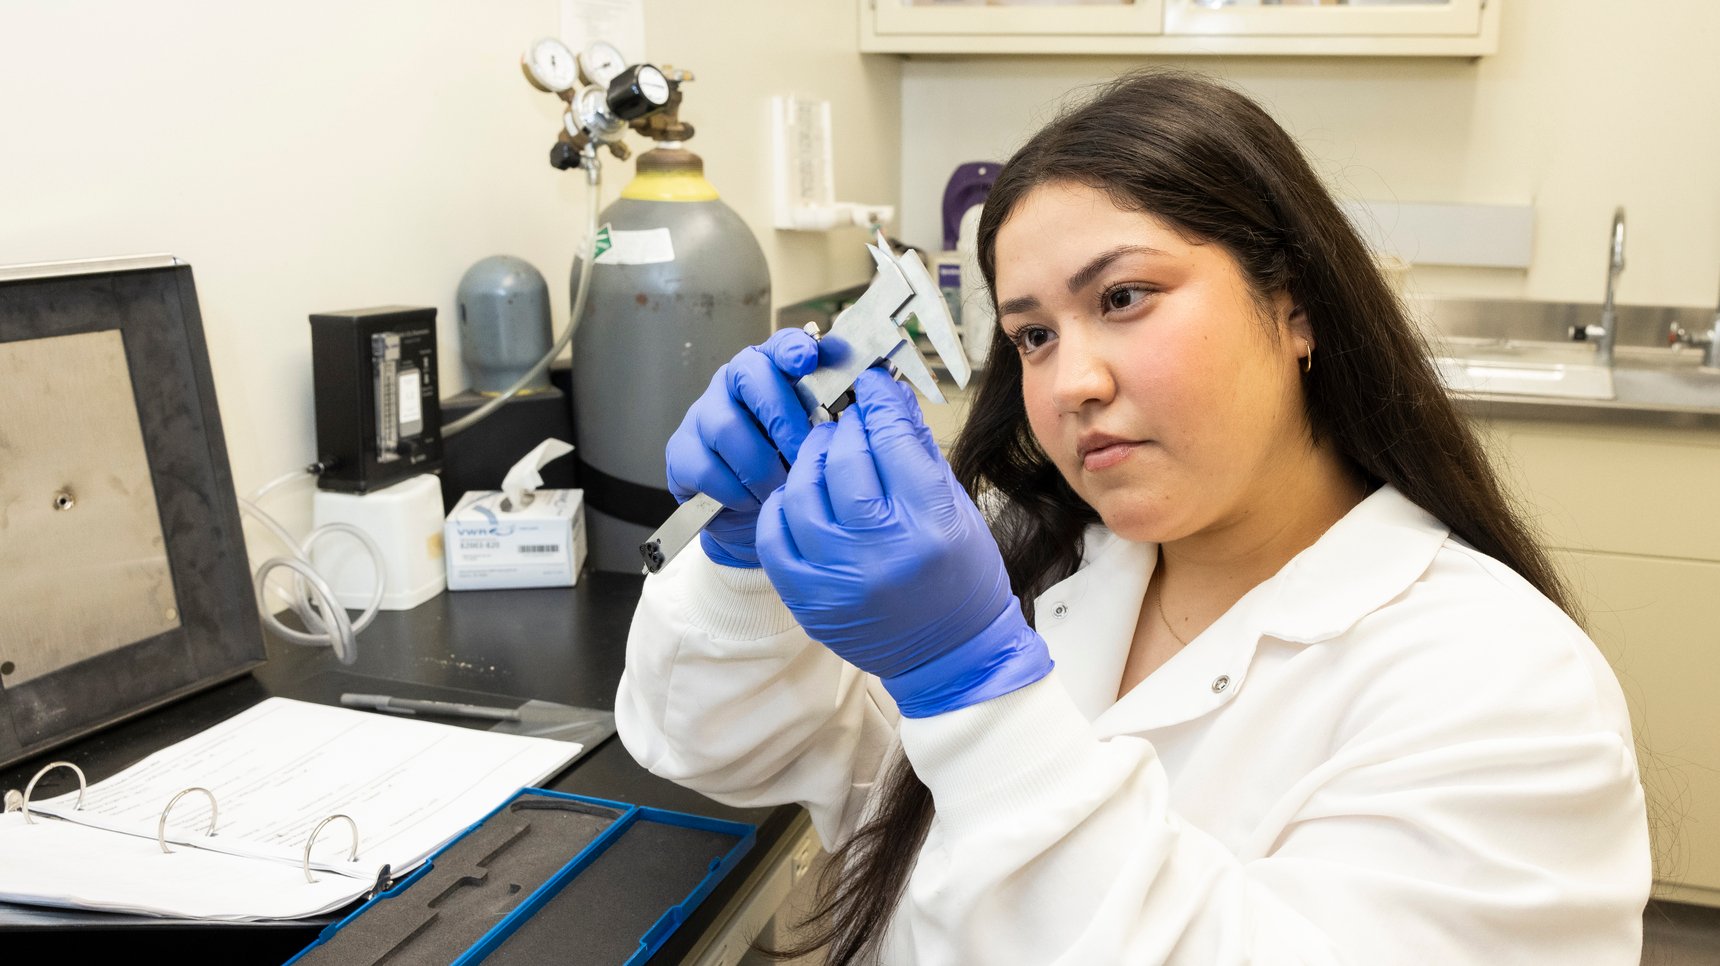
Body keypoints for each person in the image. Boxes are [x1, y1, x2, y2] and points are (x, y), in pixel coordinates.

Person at [616, 69, 1651, 965]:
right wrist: (742, 558)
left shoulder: (1502, 686)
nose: (1071, 382)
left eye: (1121, 298)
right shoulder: (1036, 564)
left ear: (1293, 307)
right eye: (1029, 336)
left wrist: (975, 698)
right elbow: (711, 745)